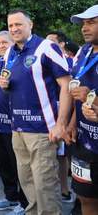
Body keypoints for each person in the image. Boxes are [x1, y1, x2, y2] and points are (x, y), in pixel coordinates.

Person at [0, 9, 72, 215]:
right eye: (11, 25)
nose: (14, 29)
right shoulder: (10, 52)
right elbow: (11, 85)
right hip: (18, 128)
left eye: (18, 24)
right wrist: (3, 85)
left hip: (42, 130)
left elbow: (66, 85)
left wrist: (61, 124)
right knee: (27, 183)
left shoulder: (46, 47)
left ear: (30, 24)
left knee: (44, 185)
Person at [0, 31, 28, 214]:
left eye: (5, 42)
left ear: (13, 43)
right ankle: (10, 197)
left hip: (15, 124)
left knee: (19, 166)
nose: (1, 46)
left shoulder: (19, 63)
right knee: (4, 164)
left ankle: (25, 202)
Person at [67, 5, 98, 215]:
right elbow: (77, 93)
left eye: (91, 22)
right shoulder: (83, 51)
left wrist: (91, 98)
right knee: (86, 197)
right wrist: (70, 124)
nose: (84, 28)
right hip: (84, 139)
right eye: (83, 24)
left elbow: (87, 96)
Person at [46, 31, 74, 204]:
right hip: (46, 111)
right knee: (48, 152)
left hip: (65, 111)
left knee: (62, 154)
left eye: (52, 42)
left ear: (62, 44)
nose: (47, 45)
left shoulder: (72, 62)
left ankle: (65, 189)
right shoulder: (43, 60)